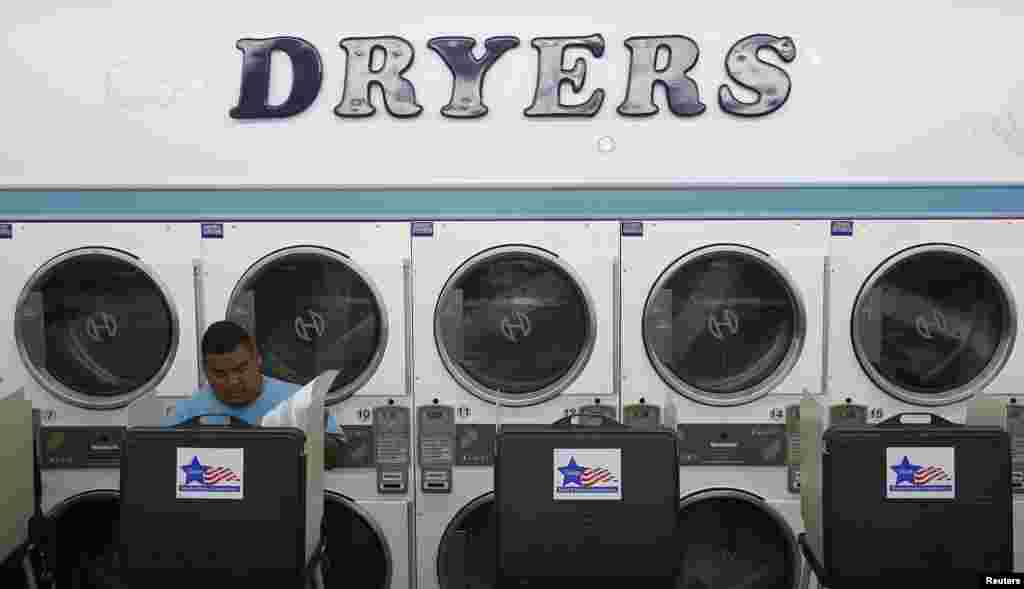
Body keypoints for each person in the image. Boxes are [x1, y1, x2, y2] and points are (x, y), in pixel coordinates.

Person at [165, 320, 341, 434]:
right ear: (205, 370)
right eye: (220, 374)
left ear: (257, 359)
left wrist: (318, 438)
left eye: (241, 369)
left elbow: (338, 454)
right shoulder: (187, 414)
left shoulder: (297, 401)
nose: (233, 381)